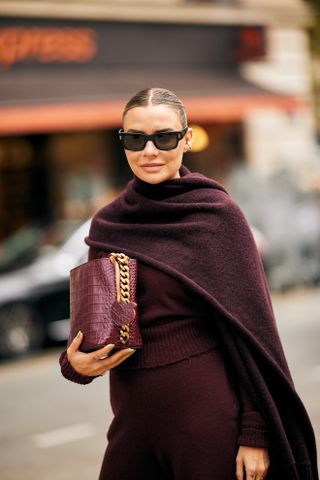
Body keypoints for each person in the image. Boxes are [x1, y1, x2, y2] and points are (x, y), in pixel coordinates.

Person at [59, 87, 318, 480]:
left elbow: (253, 330)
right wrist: (75, 365)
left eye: (164, 137)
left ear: (187, 139)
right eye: (135, 139)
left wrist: (255, 432)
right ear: (122, 142)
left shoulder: (217, 215)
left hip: (206, 418)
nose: (149, 151)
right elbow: (97, 322)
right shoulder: (108, 222)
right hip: (132, 420)